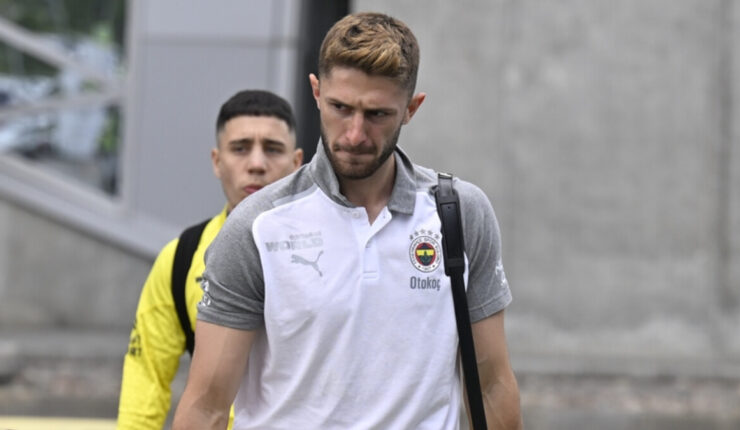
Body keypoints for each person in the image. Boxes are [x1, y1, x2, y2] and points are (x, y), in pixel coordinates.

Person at [174, 12, 522, 430]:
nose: (355, 134)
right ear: (317, 92)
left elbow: (491, 386)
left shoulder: (459, 213)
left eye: (377, 114)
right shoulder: (257, 226)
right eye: (340, 108)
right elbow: (208, 405)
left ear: (411, 109)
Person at [116, 90, 303, 430]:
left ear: (297, 163)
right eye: (240, 148)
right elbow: (147, 374)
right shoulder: (181, 258)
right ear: (217, 161)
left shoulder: (335, 249)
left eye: (273, 149)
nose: (257, 163)